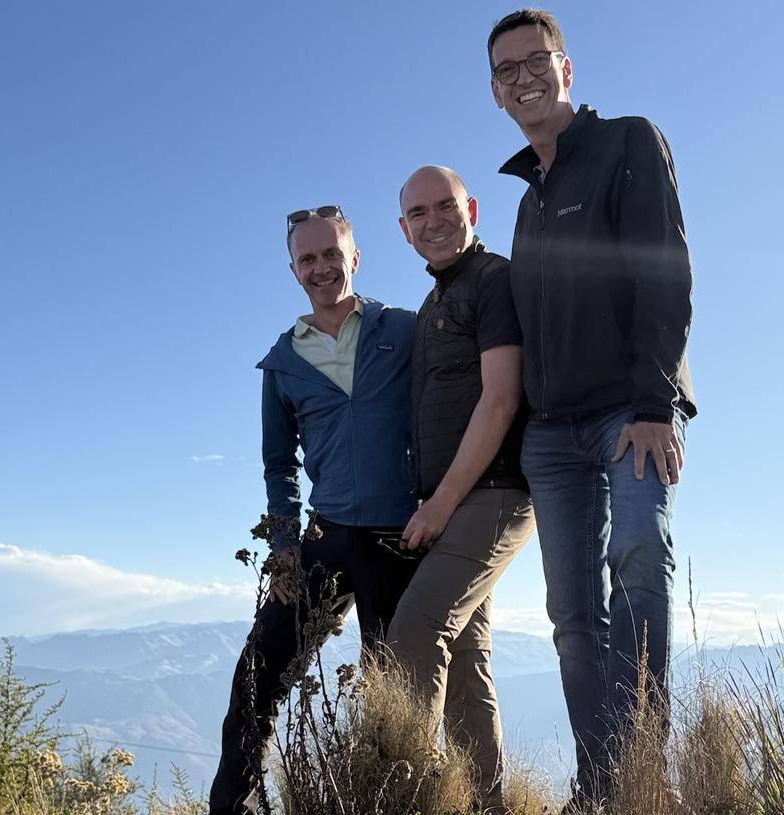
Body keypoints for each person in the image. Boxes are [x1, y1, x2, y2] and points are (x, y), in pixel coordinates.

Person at [486, 8, 698, 806]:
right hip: (552, 436)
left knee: (638, 562)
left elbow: (664, 269)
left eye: (536, 60)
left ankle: (642, 779)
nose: (524, 77)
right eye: (506, 70)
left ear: (566, 69)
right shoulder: (528, 199)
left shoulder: (628, 142)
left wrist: (655, 404)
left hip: (630, 413)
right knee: (572, 616)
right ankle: (599, 784)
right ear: (495, 92)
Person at [207, 207, 419, 815]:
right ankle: (234, 807)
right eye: (308, 259)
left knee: (390, 691)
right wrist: (284, 550)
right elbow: (279, 466)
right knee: (256, 678)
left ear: (355, 258)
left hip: (400, 537)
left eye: (332, 254)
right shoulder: (282, 362)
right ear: (294, 270)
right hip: (325, 538)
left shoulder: (404, 330)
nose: (321, 268)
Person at [386, 166, 535, 814]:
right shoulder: (432, 305)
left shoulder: (494, 280)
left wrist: (440, 503)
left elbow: (501, 399)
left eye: (444, 206)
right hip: (457, 500)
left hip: (495, 493)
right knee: (467, 661)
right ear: (404, 230)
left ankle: (414, 800)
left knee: (417, 630)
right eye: (418, 214)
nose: (434, 221)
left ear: (470, 208)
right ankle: (485, 804)